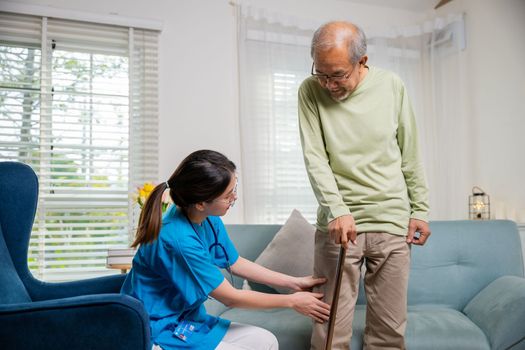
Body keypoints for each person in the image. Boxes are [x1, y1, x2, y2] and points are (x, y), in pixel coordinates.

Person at [298, 21, 431, 349]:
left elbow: (409, 153)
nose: (328, 84)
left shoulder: (392, 86)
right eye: (321, 73)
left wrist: (421, 209)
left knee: (389, 333)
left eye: (338, 74)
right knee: (330, 333)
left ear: (363, 61)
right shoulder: (309, 90)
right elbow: (315, 158)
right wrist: (338, 209)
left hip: (392, 223)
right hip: (339, 227)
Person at [121, 150, 330, 350]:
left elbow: (235, 262)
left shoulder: (207, 218)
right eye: (228, 195)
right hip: (159, 329)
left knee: (265, 341)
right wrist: (291, 301)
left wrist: (294, 282)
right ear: (201, 203)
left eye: (234, 188)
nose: (235, 198)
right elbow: (231, 297)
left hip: (190, 320)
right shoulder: (177, 239)